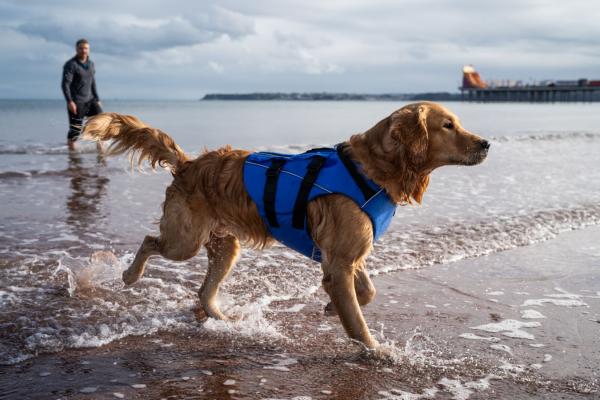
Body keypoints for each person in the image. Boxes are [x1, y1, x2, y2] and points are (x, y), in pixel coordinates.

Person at [61, 38, 103, 151]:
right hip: (76, 102)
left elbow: (92, 82)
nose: (84, 50)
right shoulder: (71, 65)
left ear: (88, 50)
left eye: (86, 48)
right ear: (76, 49)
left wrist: (97, 99)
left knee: (100, 123)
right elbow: (65, 84)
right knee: (75, 131)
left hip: (91, 100)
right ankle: (72, 154)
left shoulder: (91, 64)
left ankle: (100, 150)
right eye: (81, 48)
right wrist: (69, 101)